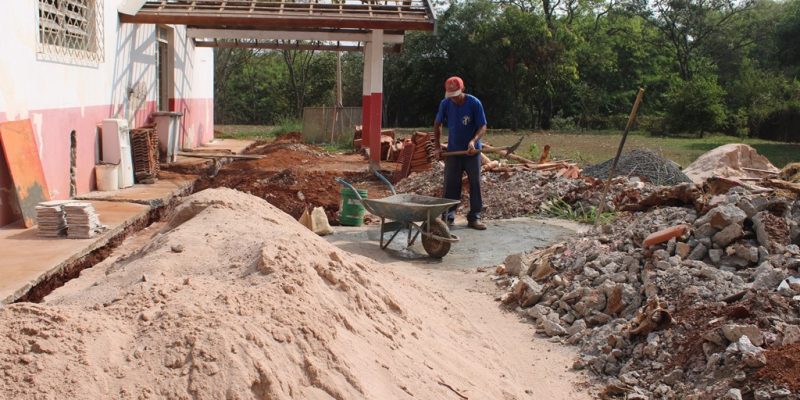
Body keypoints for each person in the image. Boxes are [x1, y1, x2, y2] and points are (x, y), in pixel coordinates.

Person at [433, 76, 487, 230]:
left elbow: (483, 126)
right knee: (451, 184)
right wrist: (437, 147)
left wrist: (473, 141)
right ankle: (448, 217)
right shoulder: (445, 104)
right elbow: (437, 125)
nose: (454, 99)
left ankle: (474, 217)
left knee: (475, 183)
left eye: (456, 95)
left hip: (472, 152)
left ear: (463, 90)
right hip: (453, 152)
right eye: (451, 96)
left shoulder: (474, 103)